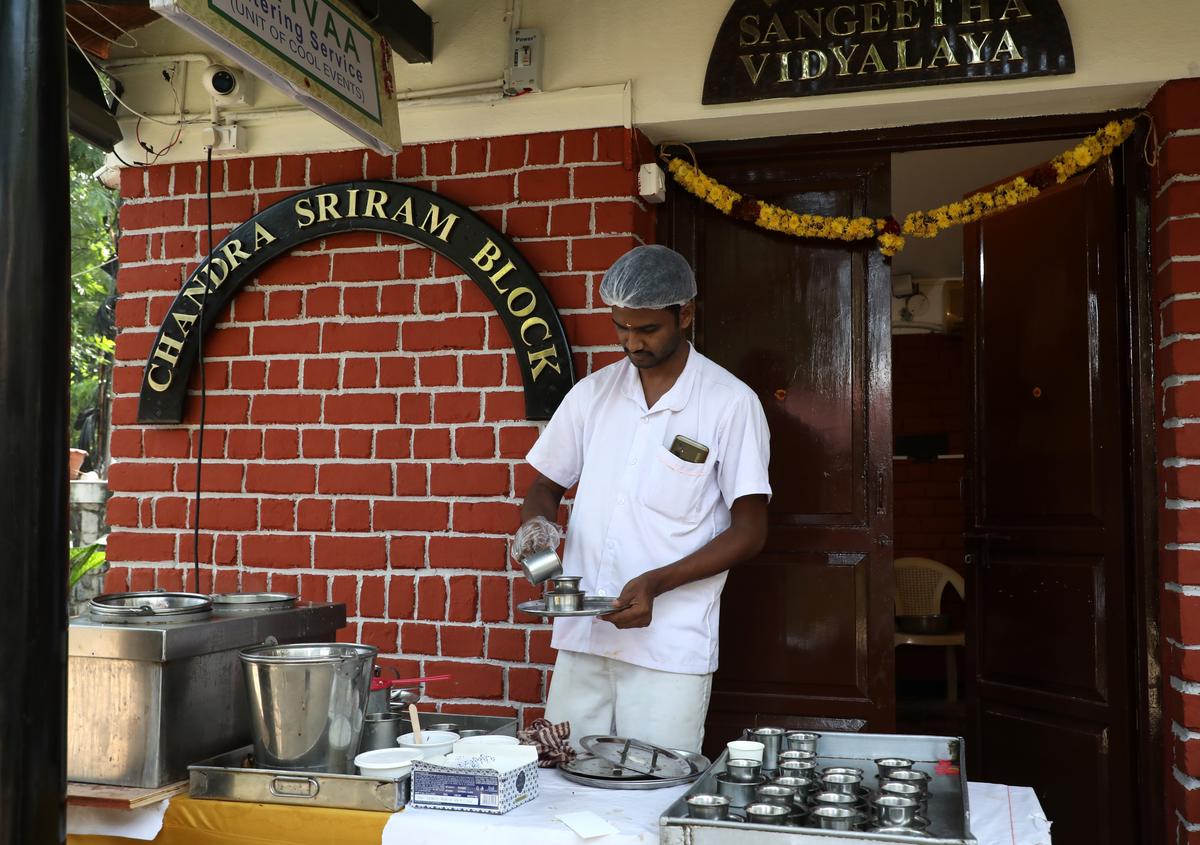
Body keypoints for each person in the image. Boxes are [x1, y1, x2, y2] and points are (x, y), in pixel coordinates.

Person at [513, 244, 771, 753]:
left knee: (653, 794)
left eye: (647, 329)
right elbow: (545, 486)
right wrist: (538, 540)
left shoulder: (730, 403)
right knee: (564, 782)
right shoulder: (593, 394)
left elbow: (750, 531)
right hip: (584, 640)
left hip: (668, 650)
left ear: (686, 314)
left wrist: (658, 581)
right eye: (621, 327)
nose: (631, 342)